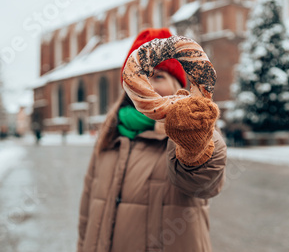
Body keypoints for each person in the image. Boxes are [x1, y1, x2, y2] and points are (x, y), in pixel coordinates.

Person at [76, 28, 227, 252]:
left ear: (179, 86)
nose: (150, 85)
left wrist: (194, 145)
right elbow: (86, 218)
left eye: (159, 76)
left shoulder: (189, 131)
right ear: (129, 84)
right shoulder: (109, 139)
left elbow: (204, 180)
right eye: (144, 75)